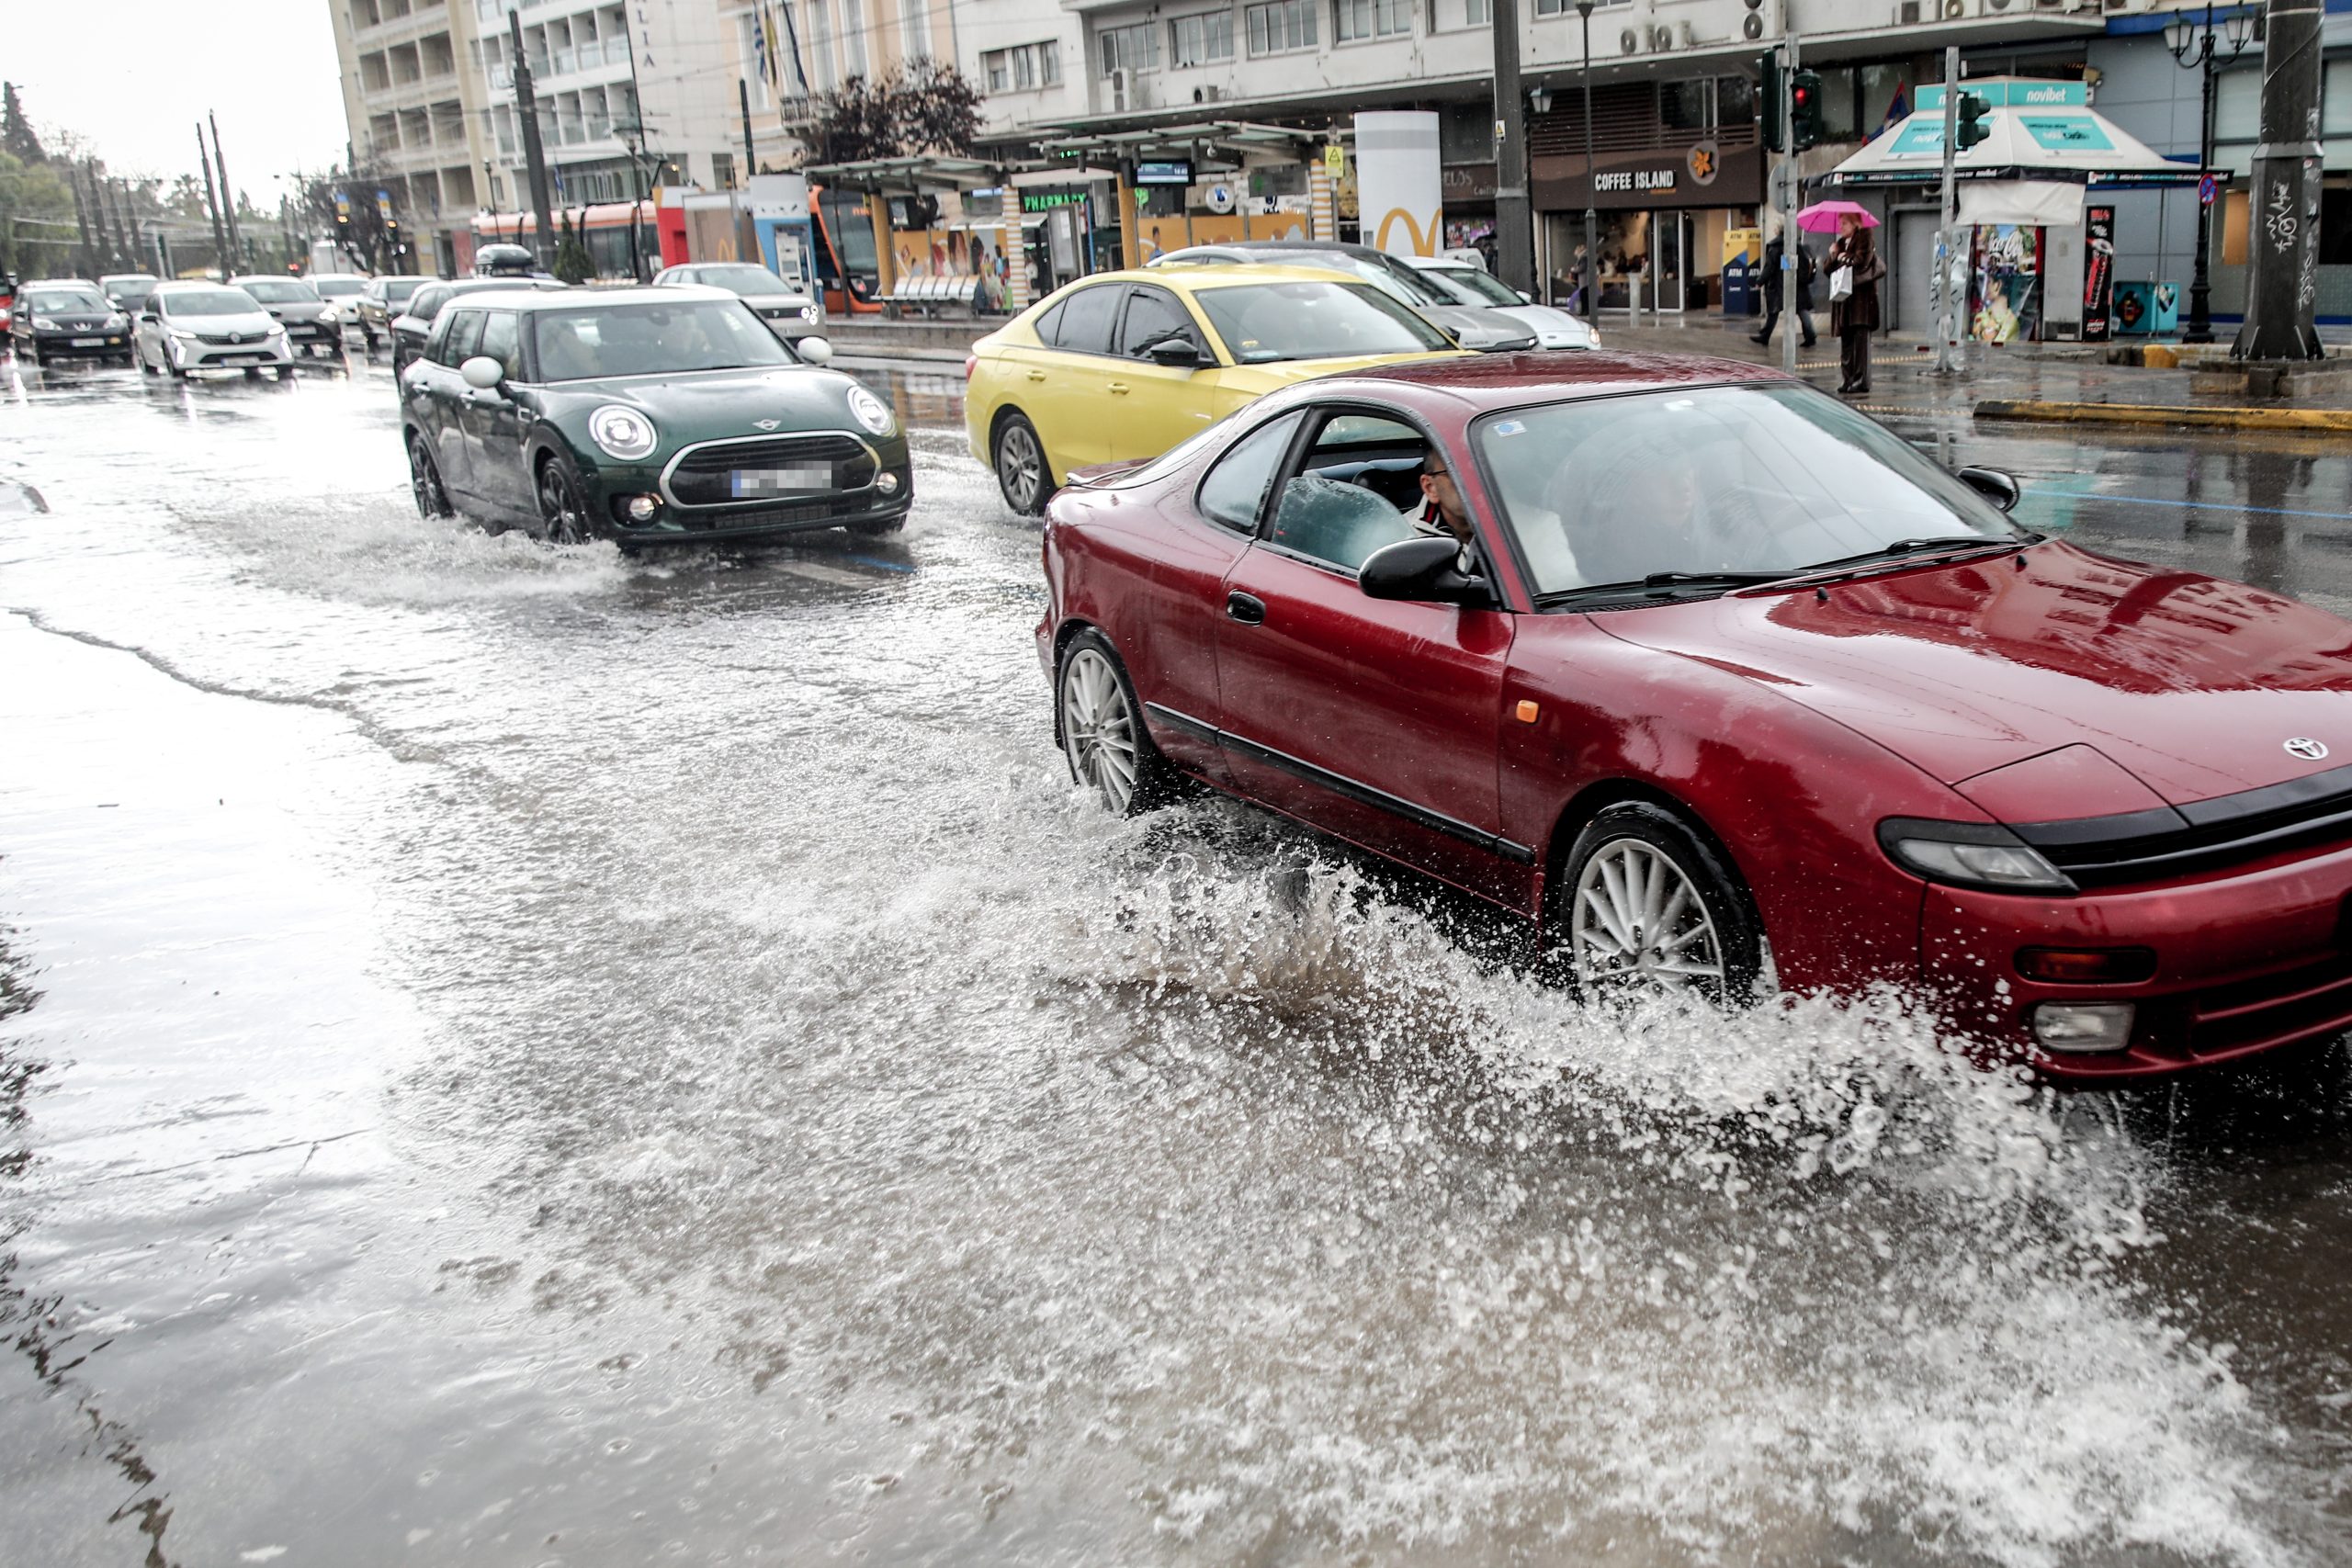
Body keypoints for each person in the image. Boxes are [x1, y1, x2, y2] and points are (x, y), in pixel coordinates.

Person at [1826, 217, 1886, 395]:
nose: (1841, 226)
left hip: (1861, 302)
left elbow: (1861, 263)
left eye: (1844, 223)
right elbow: (1827, 270)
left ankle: (1861, 381)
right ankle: (1847, 379)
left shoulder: (1865, 239)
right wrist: (1834, 255)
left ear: (1855, 224)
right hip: (1844, 301)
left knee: (1861, 344)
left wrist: (1845, 257)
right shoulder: (1840, 244)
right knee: (1846, 343)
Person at [1750, 233, 1816, 349]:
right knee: (1801, 309)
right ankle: (1810, 336)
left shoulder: (1776, 247)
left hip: (1780, 285)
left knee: (1774, 310)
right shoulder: (1797, 245)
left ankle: (1765, 336)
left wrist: (1759, 281)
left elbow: (1769, 267)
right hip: (1798, 284)